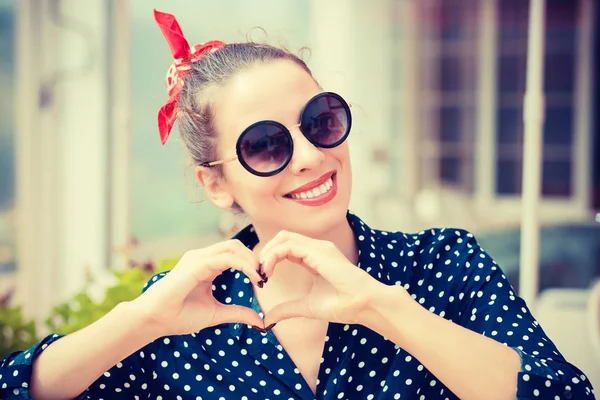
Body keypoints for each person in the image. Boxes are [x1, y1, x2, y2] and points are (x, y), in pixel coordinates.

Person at [0, 9, 595, 400]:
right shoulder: (183, 313)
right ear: (217, 185)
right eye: (265, 145)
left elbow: (562, 394)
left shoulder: (443, 264)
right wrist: (140, 321)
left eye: (322, 121)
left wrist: (384, 308)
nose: (311, 156)